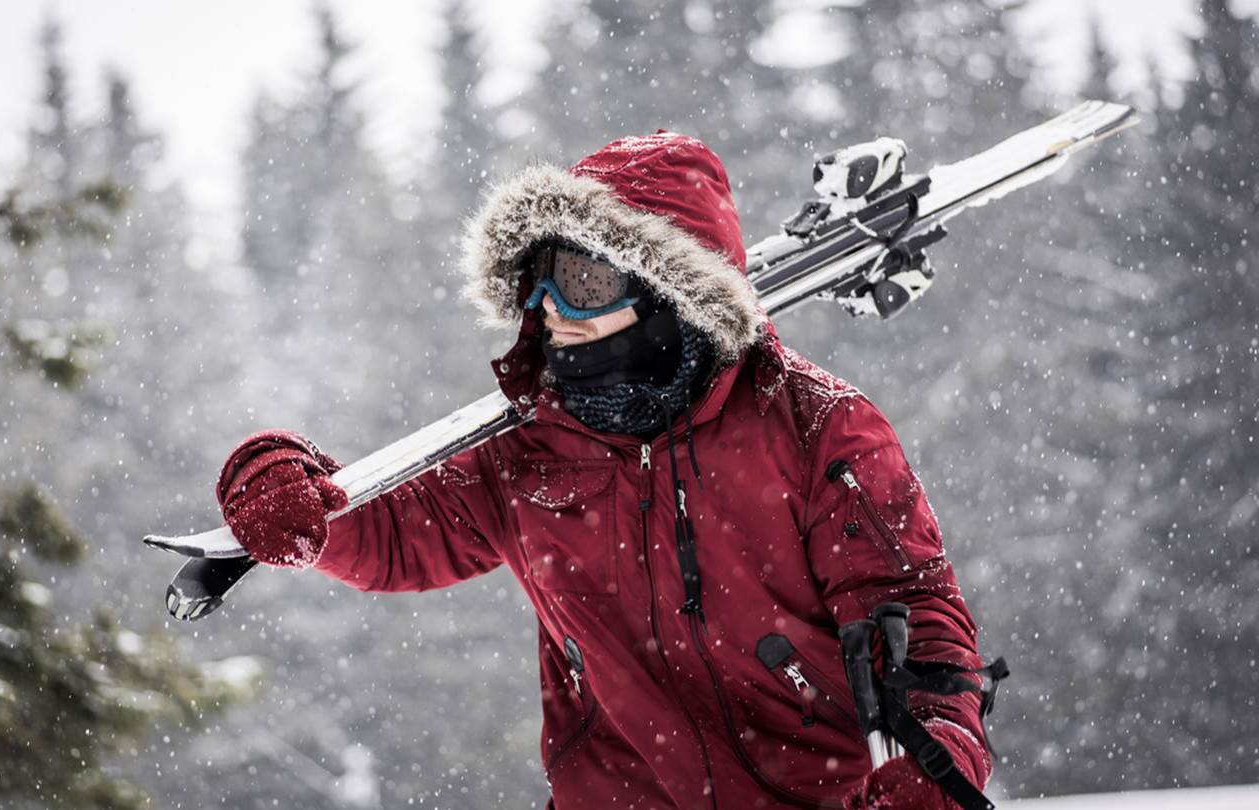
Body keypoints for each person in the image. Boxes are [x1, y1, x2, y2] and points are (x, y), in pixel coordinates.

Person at [215, 132, 992, 809]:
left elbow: (915, 615)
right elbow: (395, 538)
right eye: (540, 276)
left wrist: (935, 764)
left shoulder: (814, 426)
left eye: (584, 281)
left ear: (668, 290)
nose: (551, 305)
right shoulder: (528, 447)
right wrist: (288, 489)